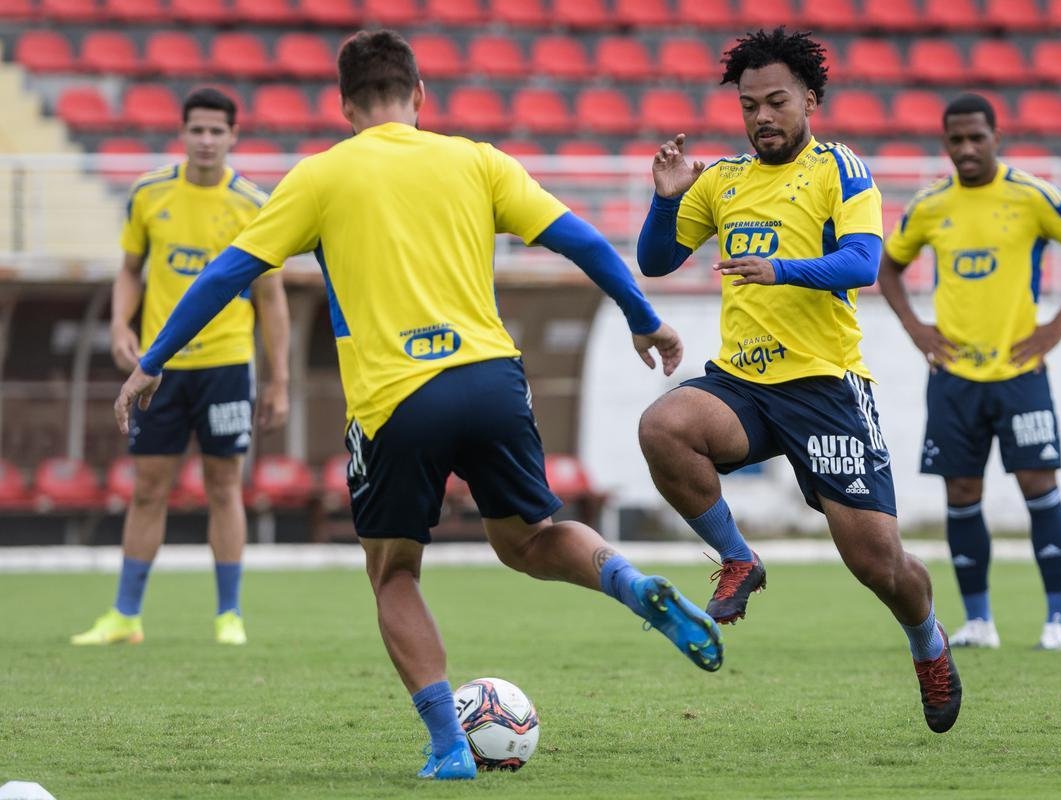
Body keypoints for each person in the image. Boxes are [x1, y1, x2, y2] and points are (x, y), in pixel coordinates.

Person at [113, 31, 723, 781]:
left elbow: (224, 274)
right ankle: (632, 585)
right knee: (530, 537)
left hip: (397, 399)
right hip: (494, 381)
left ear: (344, 107)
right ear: (420, 95)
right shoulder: (476, 159)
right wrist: (643, 317)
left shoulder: (319, 176)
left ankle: (447, 748)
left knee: (395, 573)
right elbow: (583, 241)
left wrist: (151, 361)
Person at [636, 27, 960, 733]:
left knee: (879, 567)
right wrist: (665, 198)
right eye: (750, 105)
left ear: (810, 98)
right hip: (745, 385)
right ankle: (736, 557)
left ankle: (927, 644)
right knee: (663, 428)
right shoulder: (722, 180)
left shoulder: (839, 169)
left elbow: (862, 262)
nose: (762, 117)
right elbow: (657, 261)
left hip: (826, 387)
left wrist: (781, 268)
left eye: (777, 101)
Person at [878, 93, 1061, 652]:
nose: (966, 149)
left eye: (976, 138)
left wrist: (1055, 327)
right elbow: (889, 268)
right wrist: (916, 329)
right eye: (955, 140)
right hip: (954, 375)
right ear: (945, 144)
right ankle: (979, 621)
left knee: (1038, 484)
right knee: (960, 490)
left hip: (1020, 372)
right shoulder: (931, 204)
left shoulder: (1032, 196)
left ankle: (1059, 621)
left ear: (995, 138)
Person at [72, 88, 290, 648]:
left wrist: (280, 379)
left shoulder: (253, 203)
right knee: (148, 489)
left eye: (218, 131)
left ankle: (229, 615)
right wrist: (121, 326)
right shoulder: (148, 193)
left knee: (224, 487)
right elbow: (129, 271)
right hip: (161, 369)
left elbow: (271, 298)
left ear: (234, 136)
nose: (207, 140)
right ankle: (125, 615)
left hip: (225, 367)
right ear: (183, 131)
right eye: (198, 129)